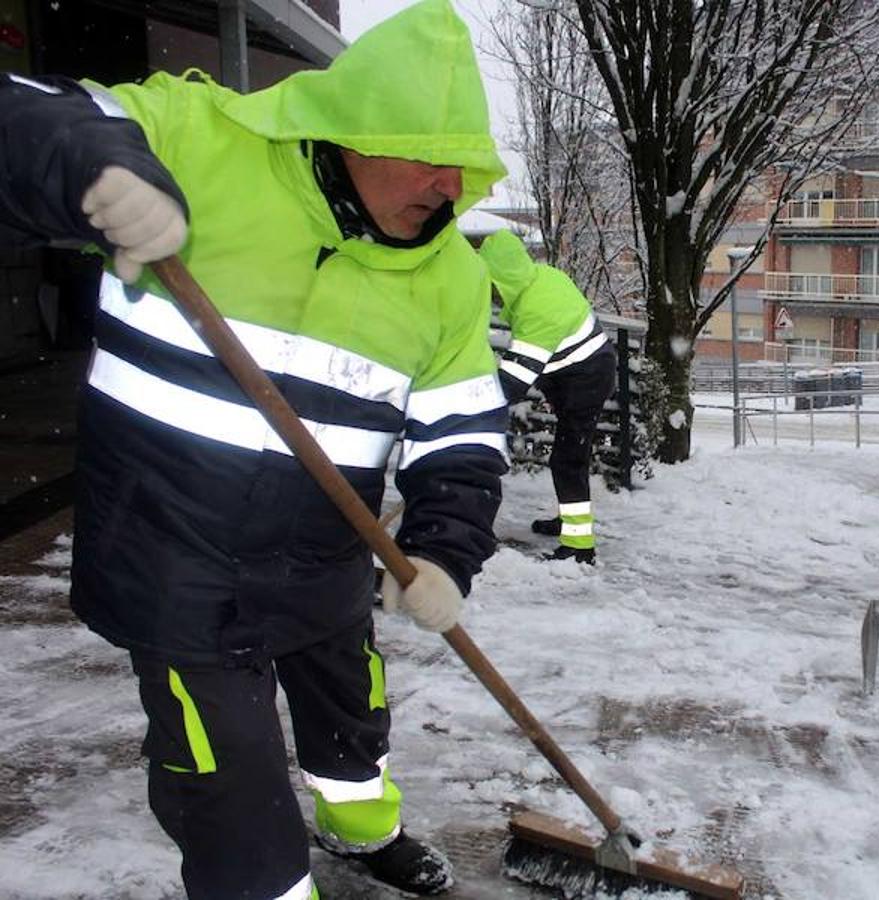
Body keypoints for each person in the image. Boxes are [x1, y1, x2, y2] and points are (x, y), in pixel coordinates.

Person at [0, 1, 510, 895]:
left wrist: (443, 549)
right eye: (426, 157)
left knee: (353, 725)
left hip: (325, 557)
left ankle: (362, 831)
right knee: (228, 788)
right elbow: (29, 112)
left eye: (463, 167)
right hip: (172, 563)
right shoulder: (199, 142)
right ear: (350, 133)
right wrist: (92, 164)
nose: (447, 186)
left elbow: (462, 431)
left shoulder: (453, 278)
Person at [478, 230, 617, 565]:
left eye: (491, 282)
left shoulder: (534, 308)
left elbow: (513, 381)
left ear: (502, 276)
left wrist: (473, 408)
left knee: (568, 460)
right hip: (578, 372)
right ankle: (569, 522)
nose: (492, 293)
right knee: (568, 457)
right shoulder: (542, 277)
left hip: (587, 379)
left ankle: (580, 547)